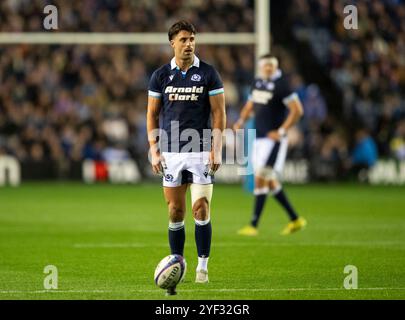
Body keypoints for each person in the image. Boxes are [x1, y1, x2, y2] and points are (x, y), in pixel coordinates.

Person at [146, 21, 226, 288]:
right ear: (172, 43)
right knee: (175, 211)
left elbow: (219, 113)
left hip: (201, 148)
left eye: (192, 39)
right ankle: (177, 261)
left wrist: (216, 147)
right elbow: (152, 114)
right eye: (183, 39)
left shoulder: (208, 73)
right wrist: (154, 148)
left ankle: (202, 266)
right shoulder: (160, 76)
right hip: (170, 150)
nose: (189, 44)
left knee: (200, 208)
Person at [234, 54, 306, 236]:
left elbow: (297, 110)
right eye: (265, 65)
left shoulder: (282, 85)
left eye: (271, 65)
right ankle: (295, 219)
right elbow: (250, 105)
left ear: (276, 66)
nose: (268, 68)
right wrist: (241, 120)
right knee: (271, 182)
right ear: (260, 67)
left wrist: (282, 131)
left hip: (274, 141)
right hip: (258, 139)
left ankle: (253, 225)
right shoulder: (258, 83)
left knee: (261, 178)